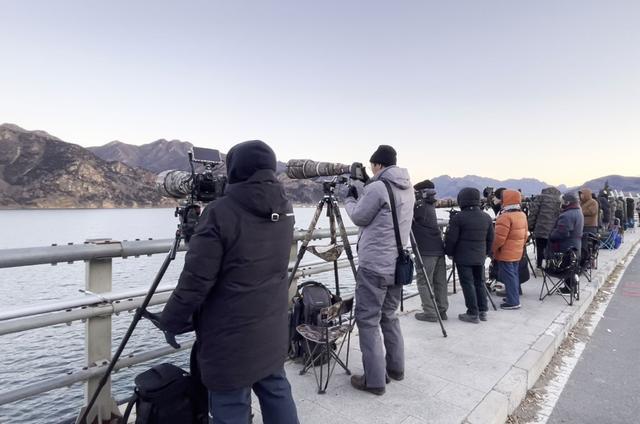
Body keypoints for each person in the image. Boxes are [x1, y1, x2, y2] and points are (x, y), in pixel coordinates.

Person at [155, 140, 299, 424]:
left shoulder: (220, 212)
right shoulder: (285, 208)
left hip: (228, 338)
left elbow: (195, 280)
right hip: (270, 327)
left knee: (230, 402)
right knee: (275, 388)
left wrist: (170, 321)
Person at [344, 144, 414, 395]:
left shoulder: (376, 187)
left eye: (372, 166)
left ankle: (374, 381)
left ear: (377, 165)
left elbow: (359, 217)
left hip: (374, 266)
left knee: (367, 320)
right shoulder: (408, 188)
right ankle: (396, 369)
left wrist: (351, 197)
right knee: (389, 316)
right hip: (397, 265)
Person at [444, 187, 494, 323]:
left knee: (468, 283)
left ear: (462, 200)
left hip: (463, 256)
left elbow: (452, 239)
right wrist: (486, 253)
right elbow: (491, 238)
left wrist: (449, 252)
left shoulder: (458, 218)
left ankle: (473, 312)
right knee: (480, 282)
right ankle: (483, 311)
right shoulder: (486, 217)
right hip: (480, 256)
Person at [411, 179, 448, 322]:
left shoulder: (419, 206)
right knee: (440, 281)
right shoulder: (430, 205)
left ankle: (430, 312)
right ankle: (441, 310)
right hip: (438, 248)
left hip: (426, 250)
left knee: (424, 281)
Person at [492, 190, 528, 310]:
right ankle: (513, 296)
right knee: (514, 274)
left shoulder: (505, 217)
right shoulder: (522, 215)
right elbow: (525, 235)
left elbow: (498, 239)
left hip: (506, 252)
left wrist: (492, 250)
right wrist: (521, 247)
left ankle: (513, 301)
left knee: (508, 276)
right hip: (517, 250)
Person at [549, 192, 584, 294]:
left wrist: (551, 236)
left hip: (567, 245)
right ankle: (570, 288)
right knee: (572, 267)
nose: (562, 203)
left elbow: (562, 232)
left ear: (568, 202)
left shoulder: (567, 215)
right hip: (575, 244)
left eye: (563, 201)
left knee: (567, 266)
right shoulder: (578, 211)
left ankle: (569, 289)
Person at [527, 187, 562, 268]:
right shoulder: (559, 199)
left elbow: (533, 213)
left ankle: (539, 267)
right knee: (551, 248)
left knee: (540, 248)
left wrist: (530, 226)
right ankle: (551, 266)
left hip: (541, 227)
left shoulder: (540, 197)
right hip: (554, 229)